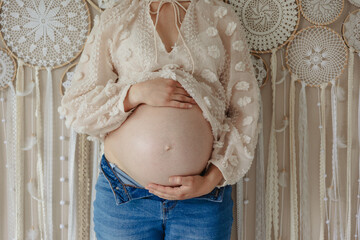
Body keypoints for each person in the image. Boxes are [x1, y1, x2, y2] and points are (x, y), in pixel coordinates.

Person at [58, 0, 261, 239]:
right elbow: (76, 107)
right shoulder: (118, 17)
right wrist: (134, 94)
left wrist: (210, 181)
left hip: (202, 199)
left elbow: (244, 108)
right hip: (124, 196)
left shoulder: (218, 14)